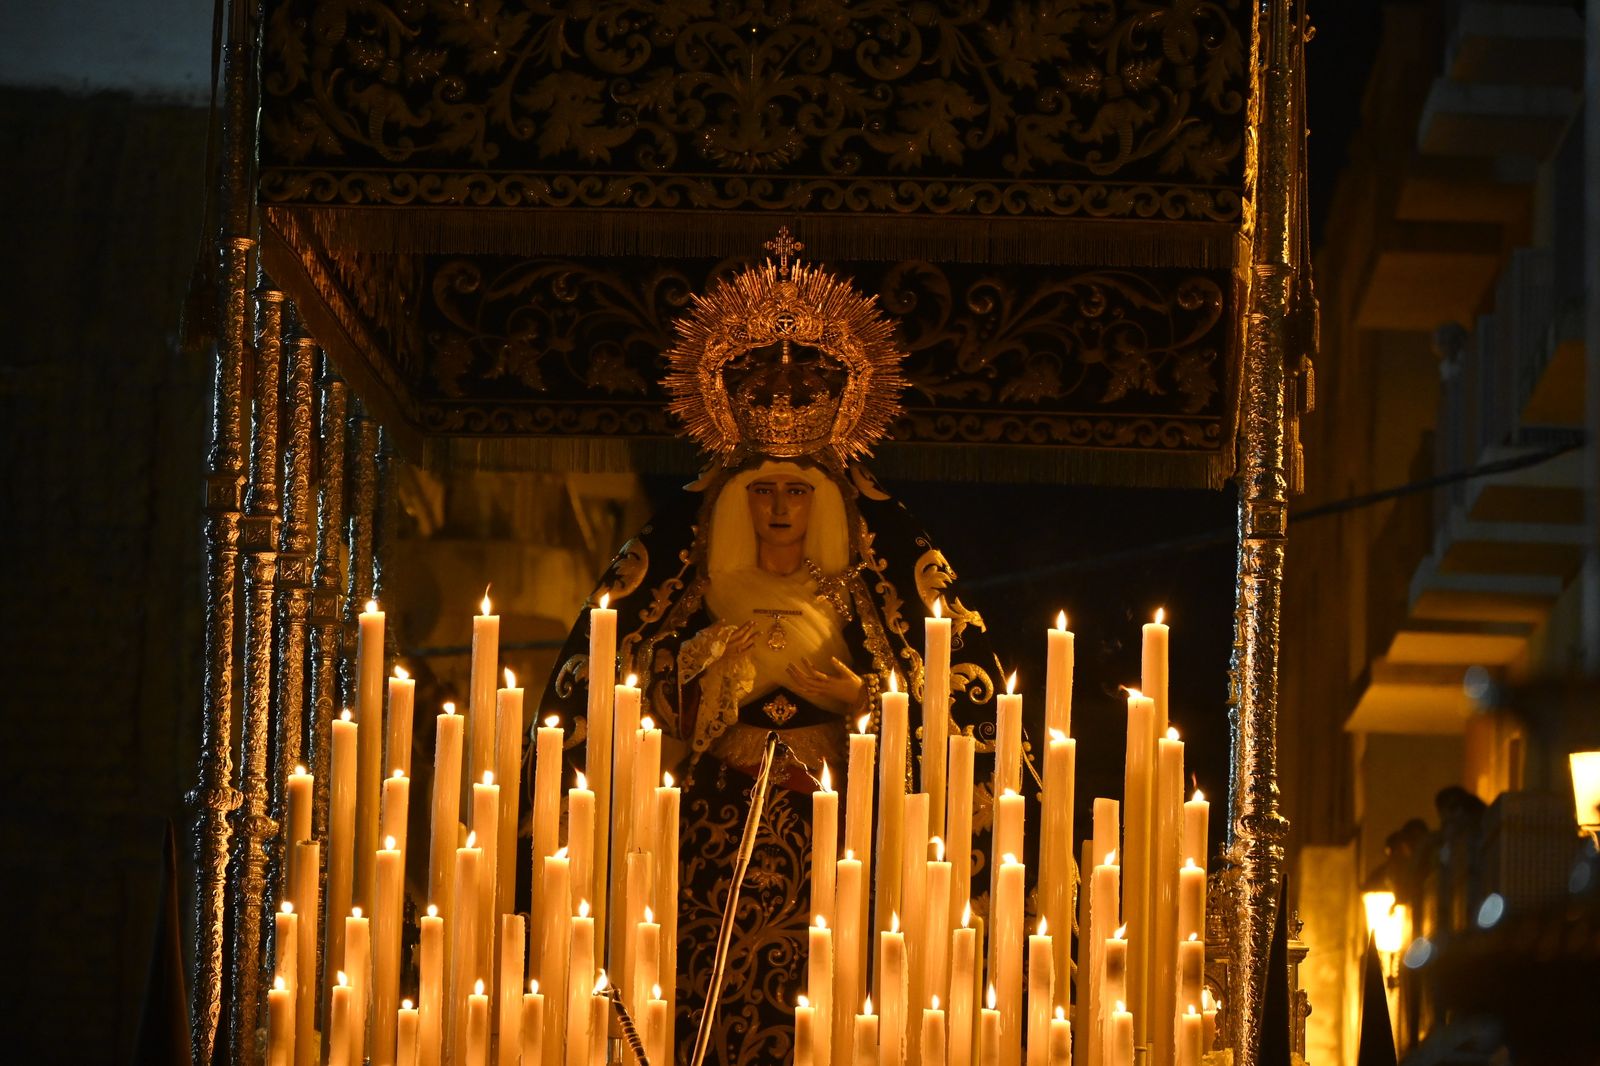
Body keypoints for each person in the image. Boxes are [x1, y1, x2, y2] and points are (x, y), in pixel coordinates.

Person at [531, 235, 1010, 1064]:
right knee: (702, 1000)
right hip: (708, 830)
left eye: (796, 491)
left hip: (835, 827)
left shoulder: (864, 588)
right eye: (763, 492)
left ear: (822, 502)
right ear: (738, 504)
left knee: (828, 999)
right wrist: (699, 685)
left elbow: (940, 706)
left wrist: (862, 702)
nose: (781, 509)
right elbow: (622, 703)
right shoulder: (692, 586)